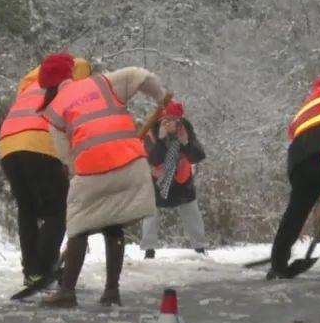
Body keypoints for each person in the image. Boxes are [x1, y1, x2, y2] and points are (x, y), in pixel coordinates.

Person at [39, 60, 168, 308]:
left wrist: (80, 170)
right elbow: (139, 73)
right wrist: (161, 96)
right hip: (131, 162)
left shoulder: (54, 110)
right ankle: (111, 292)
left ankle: (67, 292)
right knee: (114, 225)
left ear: (49, 87)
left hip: (92, 169)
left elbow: (65, 155)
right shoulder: (103, 82)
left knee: (78, 227)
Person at [0, 53, 92, 296]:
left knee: (26, 208)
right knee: (57, 209)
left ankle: (31, 270)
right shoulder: (71, 81)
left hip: (8, 144)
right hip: (41, 145)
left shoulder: (29, 85)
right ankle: (45, 266)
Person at [268, 75, 320, 280]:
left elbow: (292, 132)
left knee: (296, 212)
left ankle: (278, 264)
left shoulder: (308, 103)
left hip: (299, 160)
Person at [140, 100, 209, 259]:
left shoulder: (185, 129)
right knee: (150, 216)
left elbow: (198, 156)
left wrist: (185, 142)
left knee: (192, 214)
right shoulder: (151, 133)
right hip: (157, 181)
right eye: (167, 119)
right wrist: (161, 139)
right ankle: (148, 251)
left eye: (175, 119)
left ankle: (200, 249)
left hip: (182, 181)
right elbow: (154, 159)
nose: (171, 123)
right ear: (160, 120)